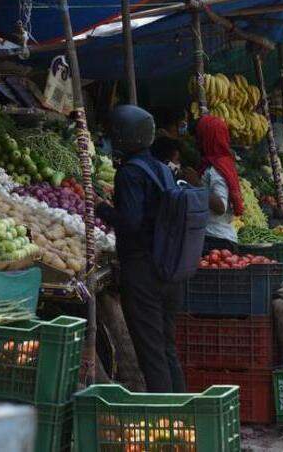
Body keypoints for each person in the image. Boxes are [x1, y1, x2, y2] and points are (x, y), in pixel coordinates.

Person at [95, 105, 185, 393]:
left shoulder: (129, 174)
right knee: (167, 347)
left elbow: (130, 223)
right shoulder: (162, 169)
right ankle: (182, 413)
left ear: (123, 137)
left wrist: (102, 210)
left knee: (151, 351)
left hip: (142, 270)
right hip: (169, 268)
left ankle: (166, 424)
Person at [196, 115, 244, 251]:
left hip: (216, 240)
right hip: (219, 237)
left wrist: (196, 184)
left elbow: (220, 206)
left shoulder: (216, 168)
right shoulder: (221, 162)